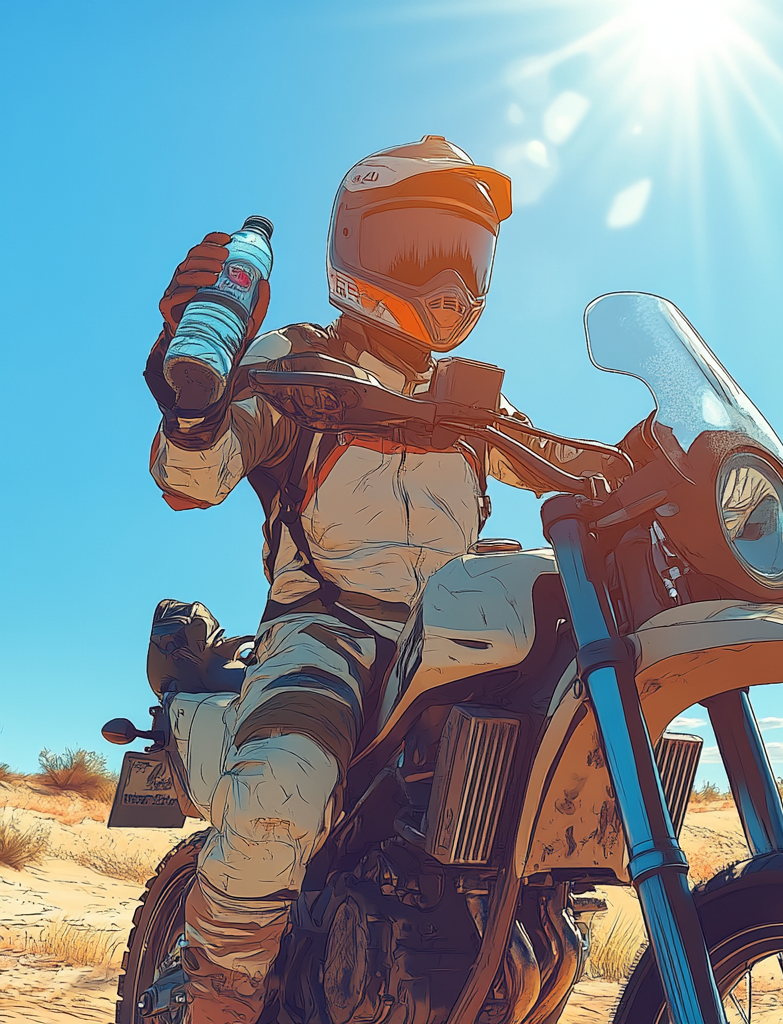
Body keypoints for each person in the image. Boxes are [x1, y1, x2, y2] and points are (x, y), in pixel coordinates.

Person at [144, 135, 625, 1024]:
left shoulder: (474, 400)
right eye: (421, 251)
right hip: (325, 628)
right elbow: (192, 479)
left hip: (450, 642)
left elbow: (557, 460)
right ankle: (213, 1002)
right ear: (359, 249)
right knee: (281, 785)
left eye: (468, 258)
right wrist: (193, 399)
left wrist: (642, 471)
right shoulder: (297, 360)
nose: (452, 281)